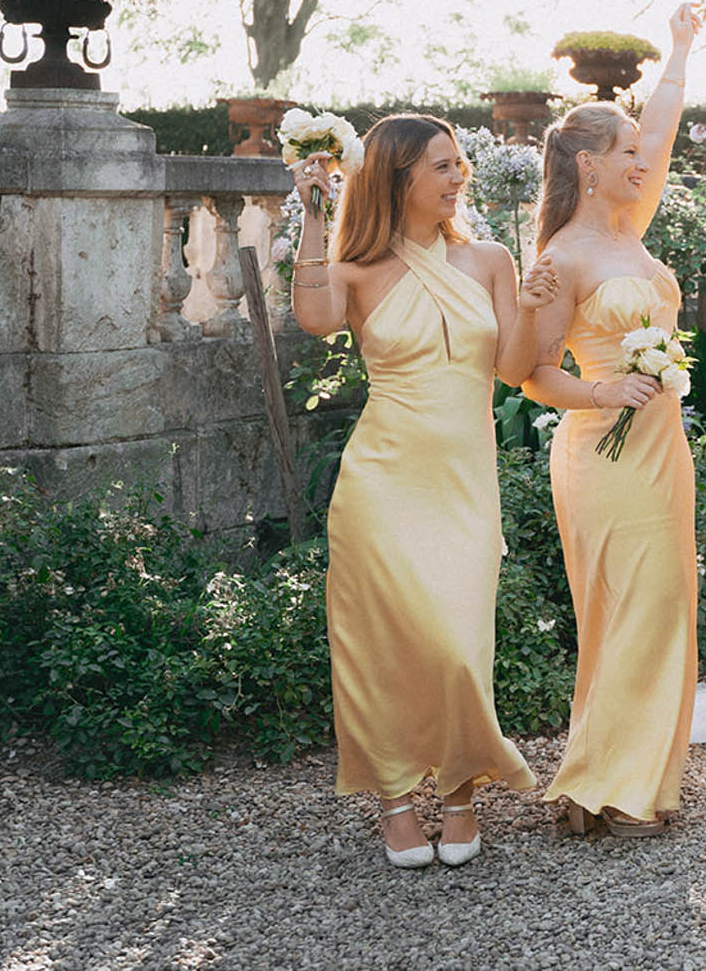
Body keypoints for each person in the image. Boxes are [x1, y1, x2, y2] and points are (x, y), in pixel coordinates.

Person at [290, 113, 555, 869]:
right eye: (440, 166)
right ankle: (397, 798)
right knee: (384, 645)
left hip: (463, 485)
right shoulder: (356, 268)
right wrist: (315, 215)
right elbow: (312, 318)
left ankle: (464, 787)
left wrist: (532, 303)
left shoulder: (490, 260)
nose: (457, 176)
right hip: (382, 482)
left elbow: (510, 369)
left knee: (458, 644)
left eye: (458, 162)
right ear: (398, 178)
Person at [522, 3, 703, 837]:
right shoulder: (562, 255)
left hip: (663, 450)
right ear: (590, 165)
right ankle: (611, 787)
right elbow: (532, 374)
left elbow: (663, 128)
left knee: (663, 601)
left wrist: (682, 48)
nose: (644, 159)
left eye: (640, 150)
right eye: (627, 150)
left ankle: (613, 783)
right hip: (603, 447)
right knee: (632, 604)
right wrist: (606, 394)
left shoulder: (632, 228)